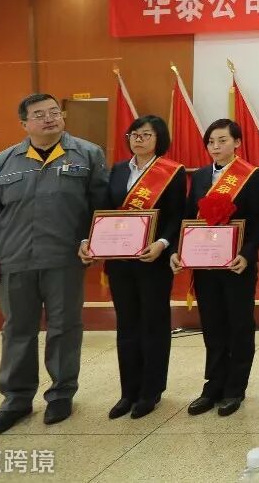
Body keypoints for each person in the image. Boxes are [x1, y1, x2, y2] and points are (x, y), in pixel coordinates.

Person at [0, 93, 107, 436]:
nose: (49, 118)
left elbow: (101, 206)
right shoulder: (2, 163)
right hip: (15, 261)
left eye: (54, 112)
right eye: (40, 114)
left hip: (64, 260)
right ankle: (16, 400)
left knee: (65, 328)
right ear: (24, 124)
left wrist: (92, 240)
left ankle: (61, 394)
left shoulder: (88, 155)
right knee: (18, 330)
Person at [82, 115, 185, 420]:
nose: (139, 139)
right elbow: (103, 211)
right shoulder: (117, 170)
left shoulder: (172, 172)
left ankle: (151, 391)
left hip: (153, 260)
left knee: (153, 324)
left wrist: (163, 244)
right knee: (126, 324)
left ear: (159, 139)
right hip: (119, 261)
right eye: (134, 134)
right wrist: (93, 242)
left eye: (146, 134)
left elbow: (176, 215)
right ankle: (128, 391)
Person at [171, 119, 259, 417]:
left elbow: (258, 222)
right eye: (211, 142)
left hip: (237, 265)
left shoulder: (251, 176)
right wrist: (180, 251)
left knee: (239, 325)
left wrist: (247, 255)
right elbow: (188, 217)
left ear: (237, 142)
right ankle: (212, 385)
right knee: (212, 325)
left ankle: (235, 387)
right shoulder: (200, 176)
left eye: (222, 140)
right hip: (205, 264)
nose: (215, 147)